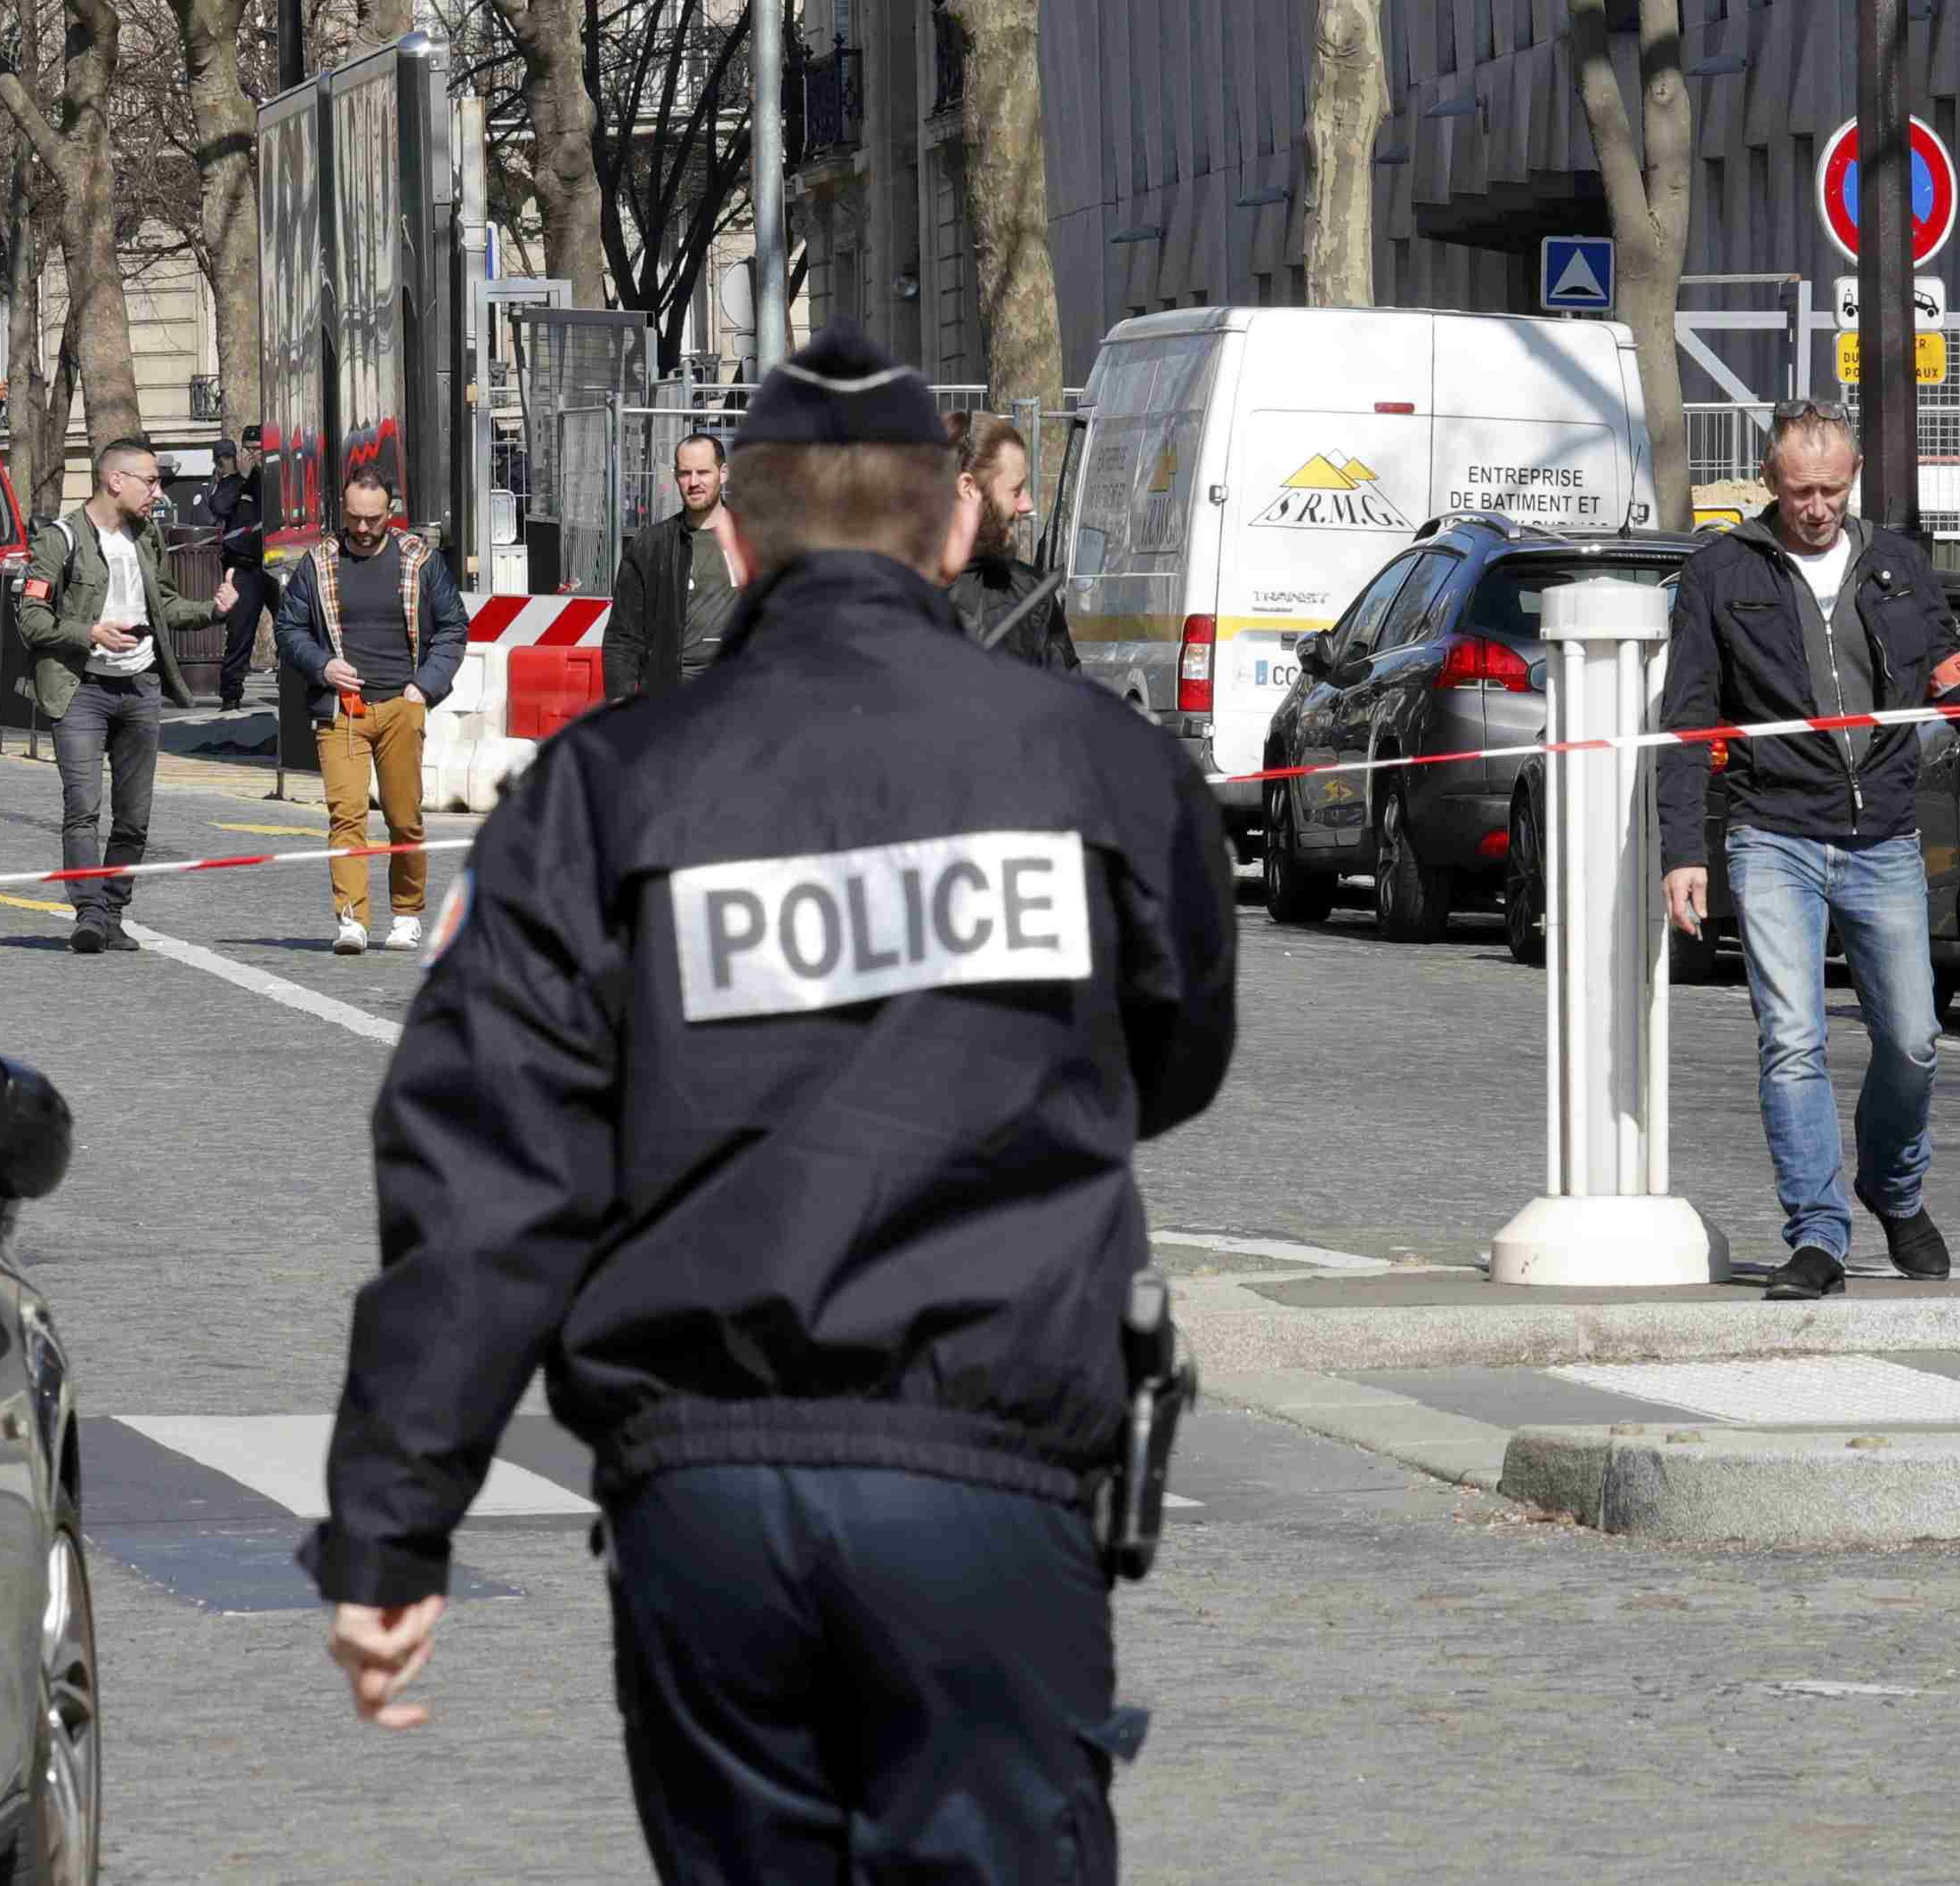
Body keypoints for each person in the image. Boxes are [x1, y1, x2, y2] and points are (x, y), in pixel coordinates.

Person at [304, 328, 1238, 1886]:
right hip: (991, 1480)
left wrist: (394, 1525)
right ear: (956, 526)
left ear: (731, 536)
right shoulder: (1095, 763)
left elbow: (486, 1180)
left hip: (707, 1500)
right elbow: (1179, 1052)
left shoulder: (609, 792)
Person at [1659, 401, 1960, 1301]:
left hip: (1885, 839)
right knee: (1791, 1040)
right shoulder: (1720, 571)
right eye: (1798, 491)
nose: (1816, 507)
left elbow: (1954, 670)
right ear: (1769, 479)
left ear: (1855, 474)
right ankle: (1818, 1235)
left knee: (1912, 1041)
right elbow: (1685, 718)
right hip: (1772, 834)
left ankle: (1892, 1189)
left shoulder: (1898, 564)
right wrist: (1684, 848)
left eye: (1831, 489)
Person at [11, 438, 234, 956]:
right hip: (81, 689)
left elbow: (166, 609)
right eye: (150, 481)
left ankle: (113, 911)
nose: (157, 492)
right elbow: (31, 618)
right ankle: (88, 913)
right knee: (82, 807)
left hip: (139, 688)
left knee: (135, 815)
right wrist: (89, 632)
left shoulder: (147, 537)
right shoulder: (59, 539)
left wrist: (214, 610)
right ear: (116, 481)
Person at [274, 473, 470, 956]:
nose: (363, 529)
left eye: (374, 519)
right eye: (355, 519)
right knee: (346, 814)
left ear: (391, 511)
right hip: (341, 710)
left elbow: (452, 627)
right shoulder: (317, 563)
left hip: (402, 706)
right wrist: (323, 665)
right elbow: (289, 627)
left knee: (404, 817)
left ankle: (406, 914)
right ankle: (352, 919)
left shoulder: (420, 561)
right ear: (343, 511)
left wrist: (423, 687)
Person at [600, 432, 733, 703]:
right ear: (675, 476)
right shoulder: (651, 546)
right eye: (685, 473)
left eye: (703, 472)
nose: (694, 482)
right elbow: (623, 637)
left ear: (723, 474)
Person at [945, 411, 1078, 674]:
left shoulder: (1032, 596)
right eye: (1016, 491)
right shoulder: (892, 594)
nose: (1028, 505)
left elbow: (1067, 706)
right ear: (968, 487)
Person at [208, 430, 272, 705]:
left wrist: (257, 477)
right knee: (239, 632)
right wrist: (242, 478)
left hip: (274, 565)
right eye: (248, 449)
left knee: (292, 627)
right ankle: (231, 695)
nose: (253, 455)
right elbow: (219, 506)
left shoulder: (274, 479)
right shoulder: (234, 482)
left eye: (259, 449)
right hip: (244, 568)